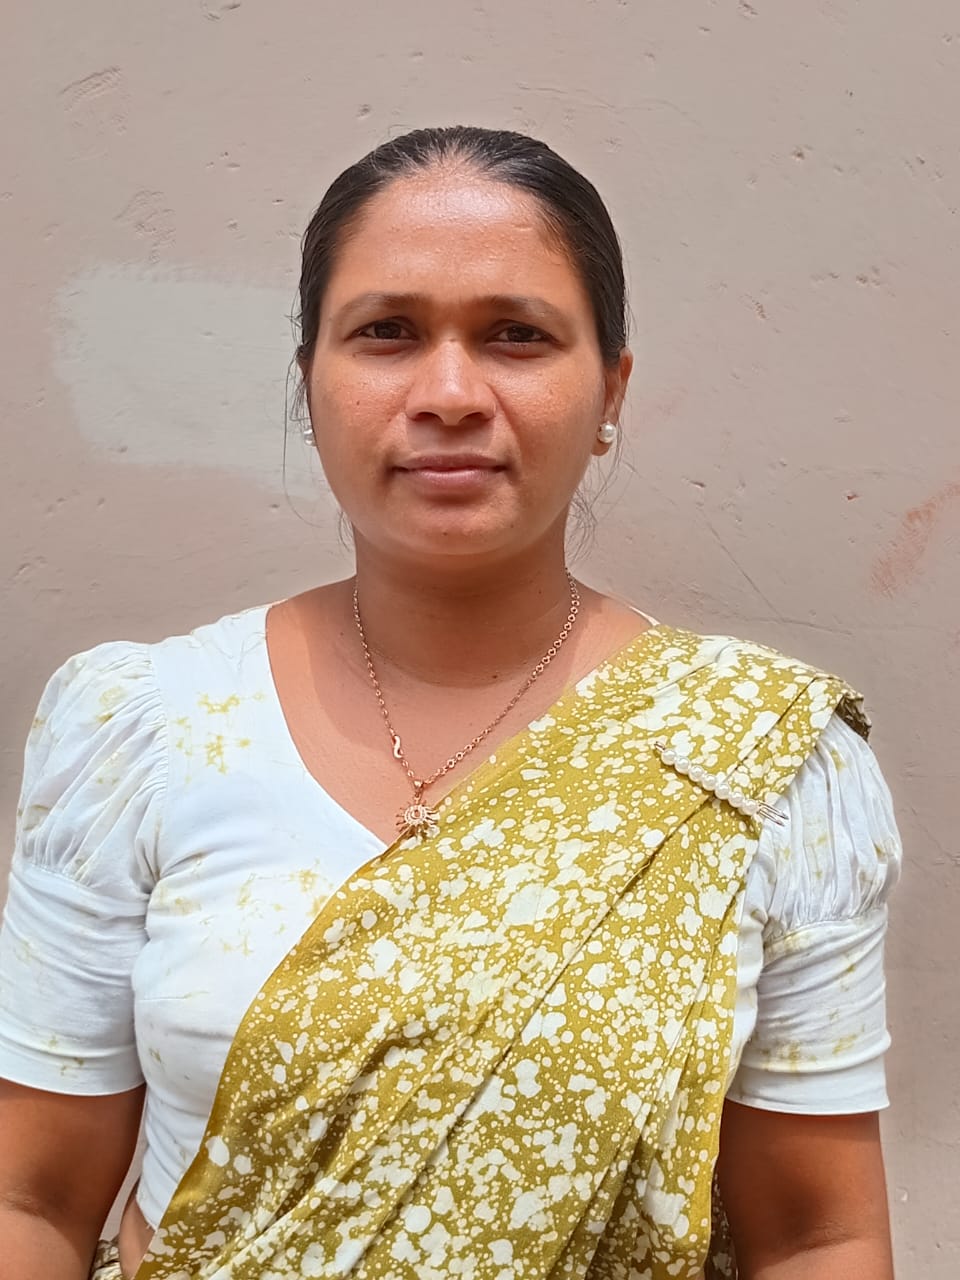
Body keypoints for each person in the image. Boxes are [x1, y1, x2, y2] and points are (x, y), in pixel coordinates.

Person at [0, 126, 900, 1280]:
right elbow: (31, 1196)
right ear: (309, 384)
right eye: (387, 332)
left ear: (610, 389)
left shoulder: (754, 758)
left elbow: (819, 1234)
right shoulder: (143, 728)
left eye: (516, 335)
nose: (450, 393)